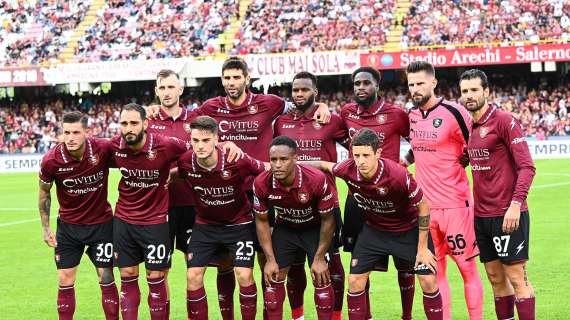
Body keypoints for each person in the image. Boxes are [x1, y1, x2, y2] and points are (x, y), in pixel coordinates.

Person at [305, 128, 443, 320]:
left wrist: (422, 248)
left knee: (428, 280)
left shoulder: (397, 175)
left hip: (407, 231)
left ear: (378, 153)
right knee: (355, 281)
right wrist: (293, 163)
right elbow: (324, 165)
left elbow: (423, 207)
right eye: (356, 155)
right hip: (375, 231)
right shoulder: (348, 169)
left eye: (366, 155)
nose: (360, 161)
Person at [404, 61, 483, 320]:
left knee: (467, 270)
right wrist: (405, 162)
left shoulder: (454, 111)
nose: (415, 89)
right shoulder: (412, 115)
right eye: (411, 84)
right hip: (425, 210)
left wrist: (467, 159)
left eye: (420, 83)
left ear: (433, 83)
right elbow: (417, 146)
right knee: (435, 275)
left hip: (456, 206)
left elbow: (477, 144)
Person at [459, 69, 536, 320]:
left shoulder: (504, 121)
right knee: (495, 278)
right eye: (464, 91)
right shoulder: (470, 126)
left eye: (474, 90)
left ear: (486, 92)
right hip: (482, 216)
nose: (469, 96)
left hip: (508, 214)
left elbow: (527, 167)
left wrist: (516, 204)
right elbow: (465, 159)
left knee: (517, 278)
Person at [339, 67, 414, 319]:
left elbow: (419, 140)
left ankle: (406, 315)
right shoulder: (346, 113)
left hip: (394, 201)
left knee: (405, 265)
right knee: (360, 265)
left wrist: (406, 160)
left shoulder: (395, 114)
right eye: (357, 83)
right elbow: (336, 135)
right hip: (358, 199)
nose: (361, 87)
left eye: (366, 83)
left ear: (377, 86)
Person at [273, 71, 348, 320]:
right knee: (294, 268)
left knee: (331, 267)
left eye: (304, 90)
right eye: (295, 90)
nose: (299, 94)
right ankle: (298, 316)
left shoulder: (332, 120)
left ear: (315, 91)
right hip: (289, 205)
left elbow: (358, 149)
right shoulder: (281, 122)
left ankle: (335, 316)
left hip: (325, 205)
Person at [178, 116, 267, 320]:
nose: (200, 146)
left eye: (206, 140)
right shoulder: (185, 162)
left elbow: (264, 169)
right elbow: (177, 174)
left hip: (239, 224)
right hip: (205, 226)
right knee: (192, 276)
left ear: (217, 139)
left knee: (244, 274)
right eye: (196, 140)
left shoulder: (236, 159)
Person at [110, 103, 189, 320]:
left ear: (146, 124)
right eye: (124, 123)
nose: (129, 128)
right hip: (124, 221)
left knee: (156, 277)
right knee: (127, 275)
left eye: (134, 123)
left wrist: (175, 172)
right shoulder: (114, 146)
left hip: (155, 222)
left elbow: (198, 151)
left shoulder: (166, 145)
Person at [39, 111, 119, 320]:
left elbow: (129, 157)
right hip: (68, 227)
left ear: (87, 132)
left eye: (76, 132)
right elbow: (44, 193)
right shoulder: (51, 161)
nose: (71, 137)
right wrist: (46, 228)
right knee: (65, 278)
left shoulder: (102, 149)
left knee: (106, 276)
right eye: (66, 132)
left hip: (101, 225)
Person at [254, 136, 336, 320]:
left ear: (295, 158)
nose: (277, 165)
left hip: (314, 229)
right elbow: (261, 221)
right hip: (286, 228)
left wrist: (320, 257)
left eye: (283, 159)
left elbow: (328, 220)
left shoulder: (316, 179)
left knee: (321, 276)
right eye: (273, 160)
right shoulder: (261, 182)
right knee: (273, 278)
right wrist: (269, 259)